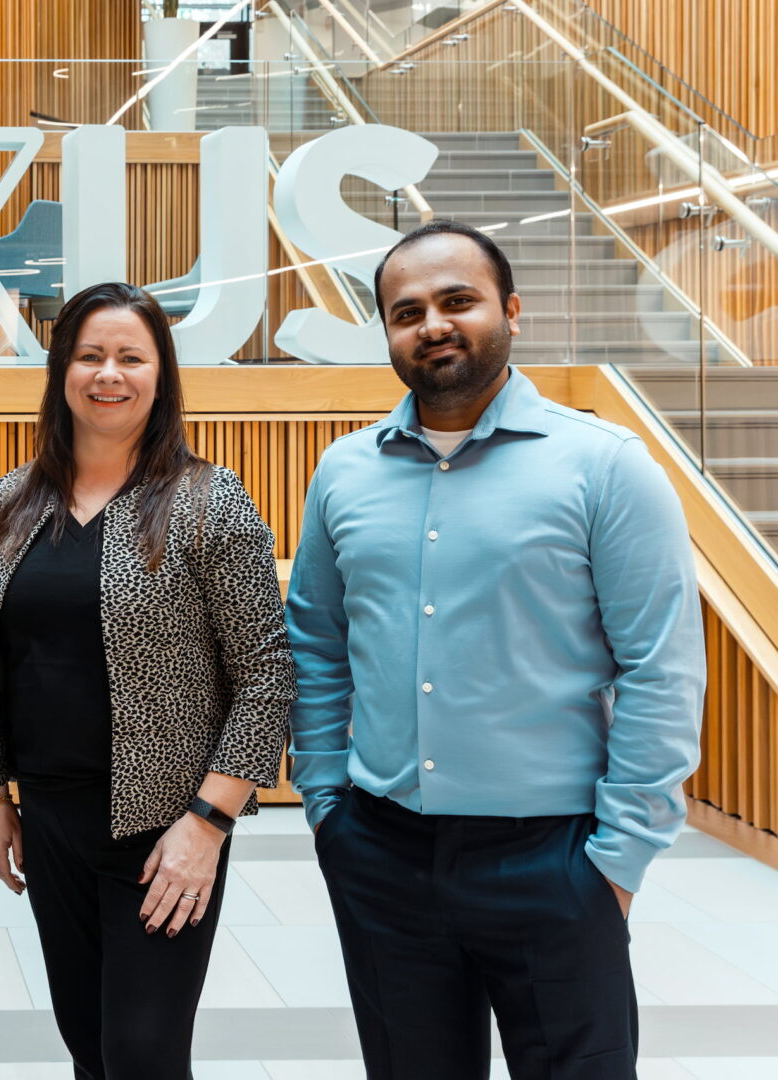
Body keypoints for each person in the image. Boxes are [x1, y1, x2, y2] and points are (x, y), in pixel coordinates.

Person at [286, 220, 706, 1079]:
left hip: (554, 861)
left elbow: (662, 671)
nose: (433, 324)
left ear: (511, 311)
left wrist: (615, 864)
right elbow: (317, 643)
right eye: (407, 312)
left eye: (458, 301)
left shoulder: (605, 467)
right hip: (382, 854)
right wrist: (327, 801)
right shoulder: (344, 472)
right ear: (389, 334)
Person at [0, 282, 297, 1079]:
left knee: (143, 1055)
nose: (109, 373)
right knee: (88, 1044)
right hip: (51, 823)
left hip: (164, 831)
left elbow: (267, 674)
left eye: (130, 357)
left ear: (160, 374)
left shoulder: (209, 502)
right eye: (90, 355)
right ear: (61, 372)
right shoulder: (9, 502)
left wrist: (206, 825)